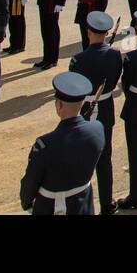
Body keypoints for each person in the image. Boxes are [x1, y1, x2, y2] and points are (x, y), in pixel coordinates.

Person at [19, 71, 105, 215]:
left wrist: (26, 203)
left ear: (59, 105)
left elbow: (30, 182)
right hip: (83, 205)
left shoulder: (45, 144)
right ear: (82, 102)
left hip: (51, 208)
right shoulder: (98, 129)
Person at [69, 10, 123, 214]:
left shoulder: (78, 59)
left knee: (81, 158)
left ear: (88, 31)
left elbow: (73, 87)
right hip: (106, 108)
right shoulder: (114, 55)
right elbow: (116, 76)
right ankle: (107, 202)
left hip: (83, 109)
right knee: (104, 158)